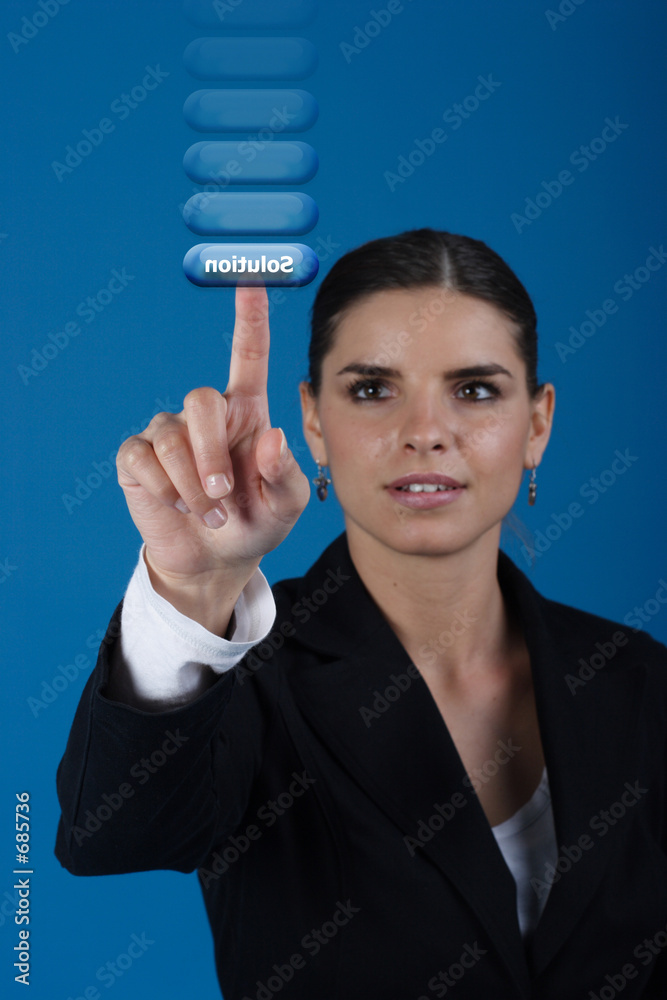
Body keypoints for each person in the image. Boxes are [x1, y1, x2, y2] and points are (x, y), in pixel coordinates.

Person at [55, 229, 667, 999]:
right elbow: (112, 835)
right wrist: (193, 586)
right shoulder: (248, 677)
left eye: (474, 389)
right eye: (373, 390)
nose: (425, 432)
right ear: (313, 422)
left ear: (536, 424)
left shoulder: (640, 680)